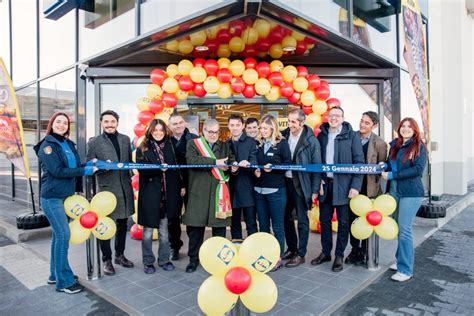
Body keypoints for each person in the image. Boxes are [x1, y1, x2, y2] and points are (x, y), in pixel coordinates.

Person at [34, 112, 96, 294]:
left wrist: (89, 164)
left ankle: (55, 275)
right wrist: (85, 171)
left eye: (65, 123)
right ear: (52, 124)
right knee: (63, 235)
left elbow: (74, 166)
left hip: (66, 197)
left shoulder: (68, 144)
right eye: (58, 122)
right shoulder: (47, 146)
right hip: (52, 197)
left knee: (57, 237)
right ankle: (65, 281)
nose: (62, 125)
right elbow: (58, 171)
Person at [311, 106, 365, 272]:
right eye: (331, 115)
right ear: (327, 117)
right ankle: (326, 252)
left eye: (337, 116)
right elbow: (316, 162)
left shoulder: (352, 136)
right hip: (325, 185)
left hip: (344, 186)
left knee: (343, 223)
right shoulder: (322, 135)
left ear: (342, 118)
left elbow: (359, 163)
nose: (333, 118)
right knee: (325, 221)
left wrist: (355, 186)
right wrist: (318, 180)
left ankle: (339, 255)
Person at [183, 119, 235, 273]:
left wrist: (230, 168)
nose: (213, 135)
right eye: (210, 132)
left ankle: (218, 260)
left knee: (219, 230)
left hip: (219, 193)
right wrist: (216, 162)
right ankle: (193, 259)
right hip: (199, 192)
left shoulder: (225, 146)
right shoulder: (193, 144)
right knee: (195, 230)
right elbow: (192, 160)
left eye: (216, 132)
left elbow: (231, 162)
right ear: (203, 131)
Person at [86, 110, 134, 276]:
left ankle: (119, 255)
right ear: (101, 123)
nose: (109, 124)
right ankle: (106, 259)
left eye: (112, 121)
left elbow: (129, 163)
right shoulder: (95, 143)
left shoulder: (125, 140)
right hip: (106, 190)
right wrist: (100, 167)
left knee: (122, 224)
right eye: (106, 121)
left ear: (117, 122)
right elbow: (89, 165)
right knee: (104, 225)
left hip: (124, 188)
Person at [381, 118, 427, 282]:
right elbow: (391, 164)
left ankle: (406, 270)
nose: (406, 129)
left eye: (409, 127)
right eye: (403, 126)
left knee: (405, 231)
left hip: (411, 193)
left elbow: (417, 170)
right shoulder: (395, 145)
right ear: (399, 129)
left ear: (415, 130)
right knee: (399, 229)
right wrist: (384, 166)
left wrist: (392, 175)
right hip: (395, 191)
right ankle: (400, 260)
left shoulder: (419, 147)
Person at [136, 119, 184, 273]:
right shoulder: (143, 147)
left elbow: (177, 169)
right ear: (150, 131)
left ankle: (164, 260)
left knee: (164, 231)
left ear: (165, 131)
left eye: (161, 130)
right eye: (155, 130)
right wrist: (159, 169)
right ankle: (148, 262)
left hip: (167, 196)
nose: (158, 132)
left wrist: (181, 186)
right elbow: (141, 170)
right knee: (148, 232)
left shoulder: (170, 146)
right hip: (150, 196)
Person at [281, 108, 322, 268]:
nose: (290, 124)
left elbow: (317, 167)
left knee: (302, 220)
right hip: (285, 182)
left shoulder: (311, 141)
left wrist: (314, 190)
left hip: (302, 184)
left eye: (293, 122)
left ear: (302, 122)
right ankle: (291, 248)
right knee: (286, 217)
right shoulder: (284, 135)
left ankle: (301, 253)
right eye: (289, 121)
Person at [346, 111, 388, 266]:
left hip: (369, 188)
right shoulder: (352, 136)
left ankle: (365, 250)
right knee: (353, 220)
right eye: (362, 121)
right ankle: (354, 249)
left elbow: (382, 167)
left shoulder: (380, 143)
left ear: (374, 126)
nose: (362, 125)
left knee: (366, 220)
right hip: (352, 187)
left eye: (367, 123)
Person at [254, 114, 291, 271]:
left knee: (277, 226)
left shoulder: (282, 144)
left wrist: (274, 167)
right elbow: (255, 161)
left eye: (265, 128)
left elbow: (288, 164)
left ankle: (277, 257)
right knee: (263, 226)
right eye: (261, 128)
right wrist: (256, 169)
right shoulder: (259, 144)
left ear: (273, 128)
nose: (262, 131)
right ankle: (264, 255)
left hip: (276, 190)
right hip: (259, 190)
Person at [168, 114, 198, 260]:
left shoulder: (194, 138)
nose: (178, 125)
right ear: (170, 126)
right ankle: (175, 247)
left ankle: (194, 251)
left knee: (192, 217)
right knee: (173, 218)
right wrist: (179, 185)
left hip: (192, 184)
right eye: (175, 124)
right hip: (173, 184)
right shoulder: (167, 141)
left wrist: (185, 185)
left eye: (180, 122)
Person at [226, 114, 258, 241]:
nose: (235, 128)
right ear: (228, 126)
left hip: (247, 187)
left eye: (238, 125)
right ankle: (237, 246)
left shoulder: (251, 142)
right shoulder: (225, 144)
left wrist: (248, 165)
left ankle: (253, 249)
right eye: (232, 125)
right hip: (231, 189)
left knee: (251, 221)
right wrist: (230, 168)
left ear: (243, 126)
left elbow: (255, 162)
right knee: (234, 222)